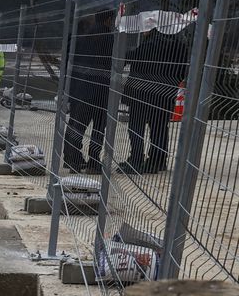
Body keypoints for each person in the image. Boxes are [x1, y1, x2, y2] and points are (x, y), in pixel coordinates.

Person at [120, 27, 189, 174]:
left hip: (141, 92)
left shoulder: (149, 44)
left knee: (136, 126)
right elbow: (183, 71)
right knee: (159, 128)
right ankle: (157, 162)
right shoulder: (180, 47)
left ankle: (136, 160)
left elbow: (132, 57)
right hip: (164, 93)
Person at [63, 10, 116, 172]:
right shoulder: (108, 37)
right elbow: (113, 61)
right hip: (101, 89)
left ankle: (73, 160)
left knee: (77, 125)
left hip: (80, 88)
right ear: (108, 20)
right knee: (99, 128)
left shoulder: (82, 37)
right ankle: (94, 162)